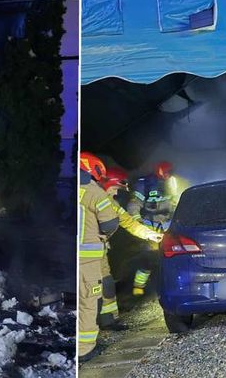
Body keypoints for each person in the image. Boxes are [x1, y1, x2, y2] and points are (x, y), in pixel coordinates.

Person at [98, 167, 162, 328]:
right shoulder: (91, 199)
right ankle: (90, 324)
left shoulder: (111, 203)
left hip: (99, 251)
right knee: (92, 288)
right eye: (114, 189)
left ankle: (109, 320)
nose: (115, 194)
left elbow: (127, 221)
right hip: (86, 254)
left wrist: (150, 234)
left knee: (106, 284)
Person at [78, 152, 121, 362]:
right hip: (87, 260)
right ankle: (84, 349)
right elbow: (111, 224)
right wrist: (103, 236)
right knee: (89, 301)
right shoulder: (93, 192)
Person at [129, 161, 188, 295]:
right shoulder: (145, 184)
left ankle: (172, 286)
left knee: (171, 256)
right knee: (148, 259)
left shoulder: (173, 183)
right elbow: (134, 205)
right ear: (159, 172)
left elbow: (177, 202)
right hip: (149, 226)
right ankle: (138, 287)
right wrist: (138, 222)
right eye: (165, 173)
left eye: (169, 172)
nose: (167, 175)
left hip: (167, 226)